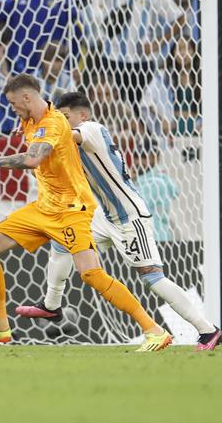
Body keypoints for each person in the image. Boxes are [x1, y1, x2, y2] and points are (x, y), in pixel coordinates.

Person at [0, 73, 172, 352]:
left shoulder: (53, 122)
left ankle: (154, 330)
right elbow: (34, 136)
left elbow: (34, 158)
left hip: (72, 209)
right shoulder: (30, 118)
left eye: (13, 103)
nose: (12, 109)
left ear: (27, 98)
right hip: (44, 207)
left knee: (91, 274)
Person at [16, 92, 220, 350]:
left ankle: (207, 330)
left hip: (129, 216)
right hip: (104, 215)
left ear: (82, 116)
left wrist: (41, 126)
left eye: (65, 118)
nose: (62, 123)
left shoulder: (90, 129)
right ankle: (52, 306)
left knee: (152, 276)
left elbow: (62, 137)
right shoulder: (68, 146)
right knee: (63, 239)